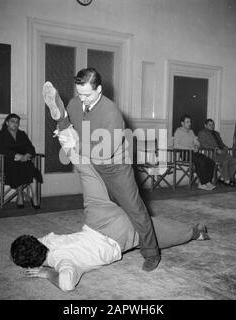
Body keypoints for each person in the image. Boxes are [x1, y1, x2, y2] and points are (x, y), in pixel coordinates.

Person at [10, 124, 210, 292]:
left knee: (155, 232)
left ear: (34, 265)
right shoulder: (48, 241)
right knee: (88, 175)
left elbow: (66, 284)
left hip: (117, 237)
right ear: (35, 241)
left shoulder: (62, 262)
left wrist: (47, 272)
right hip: (98, 219)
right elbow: (35, 245)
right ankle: (68, 139)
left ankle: (195, 233)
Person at [42, 69, 161, 272]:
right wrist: (65, 128)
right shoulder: (76, 102)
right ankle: (60, 116)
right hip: (90, 161)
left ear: (99, 89)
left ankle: (152, 253)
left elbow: (105, 151)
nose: (82, 99)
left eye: (87, 95)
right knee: (65, 128)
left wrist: (76, 143)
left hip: (115, 166)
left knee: (135, 209)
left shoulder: (111, 113)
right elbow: (75, 126)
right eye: (79, 94)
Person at [0, 113, 43, 209]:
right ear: (7, 123)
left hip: (24, 161)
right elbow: (1, 149)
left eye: (17, 122)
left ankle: (34, 197)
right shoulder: (1, 135)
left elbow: (31, 148)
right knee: (20, 168)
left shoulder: (22, 134)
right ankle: (20, 195)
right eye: (12, 121)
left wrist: (27, 155)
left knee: (31, 170)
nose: (15, 124)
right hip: (9, 161)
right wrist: (17, 156)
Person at [173, 114, 216, 191]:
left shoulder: (191, 132)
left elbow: (196, 142)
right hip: (185, 154)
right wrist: (190, 148)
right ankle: (202, 183)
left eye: (190, 122)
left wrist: (196, 146)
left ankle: (207, 181)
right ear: (182, 123)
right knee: (201, 162)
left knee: (210, 162)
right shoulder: (178, 131)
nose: (189, 124)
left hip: (193, 153)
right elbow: (176, 145)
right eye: (187, 122)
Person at [198, 119, 236, 187]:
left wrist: (225, 148)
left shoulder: (216, 133)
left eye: (213, 124)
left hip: (221, 153)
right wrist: (215, 149)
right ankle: (227, 181)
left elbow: (221, 144)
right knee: (225, 161)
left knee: (234, 161)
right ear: (205, 125)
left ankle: (224, 178)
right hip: (210, 154)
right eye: (209, 125)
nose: (212, 126)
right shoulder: (202, 133)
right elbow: (204, 144)